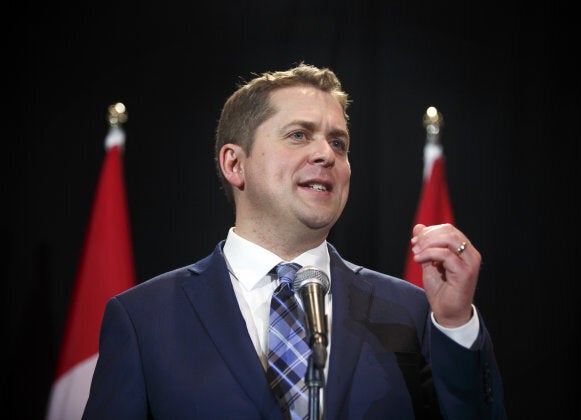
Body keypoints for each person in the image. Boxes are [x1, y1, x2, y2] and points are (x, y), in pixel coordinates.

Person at [82, 63, 506, 419]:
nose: (326, 155)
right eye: (299, 135)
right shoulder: (144, 320)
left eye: (338, 142)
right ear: (234, 163)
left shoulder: (410, 312)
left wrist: (454, 323)